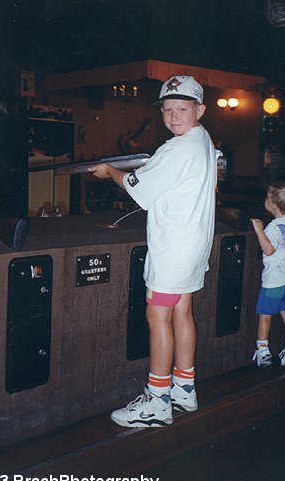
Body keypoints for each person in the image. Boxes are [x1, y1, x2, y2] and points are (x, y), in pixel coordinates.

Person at [89, 75, 219, 427]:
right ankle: (184, 389)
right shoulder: (201, 139)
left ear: (200, 110)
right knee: (182, 312)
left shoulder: (177, 148)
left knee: (157, 316)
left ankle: (158, 400)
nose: (174, 116)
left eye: (182, 108)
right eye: (168, 109)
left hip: (173, 250)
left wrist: (109, 171)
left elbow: (137, 190)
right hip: (192, 247)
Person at [250, 181, 285, 368]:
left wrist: (259, 230)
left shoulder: (273, 227)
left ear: (274, 205)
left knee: (265, 315)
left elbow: (268, 250)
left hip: (274, 282)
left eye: (267, 198)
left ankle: (263, 351)